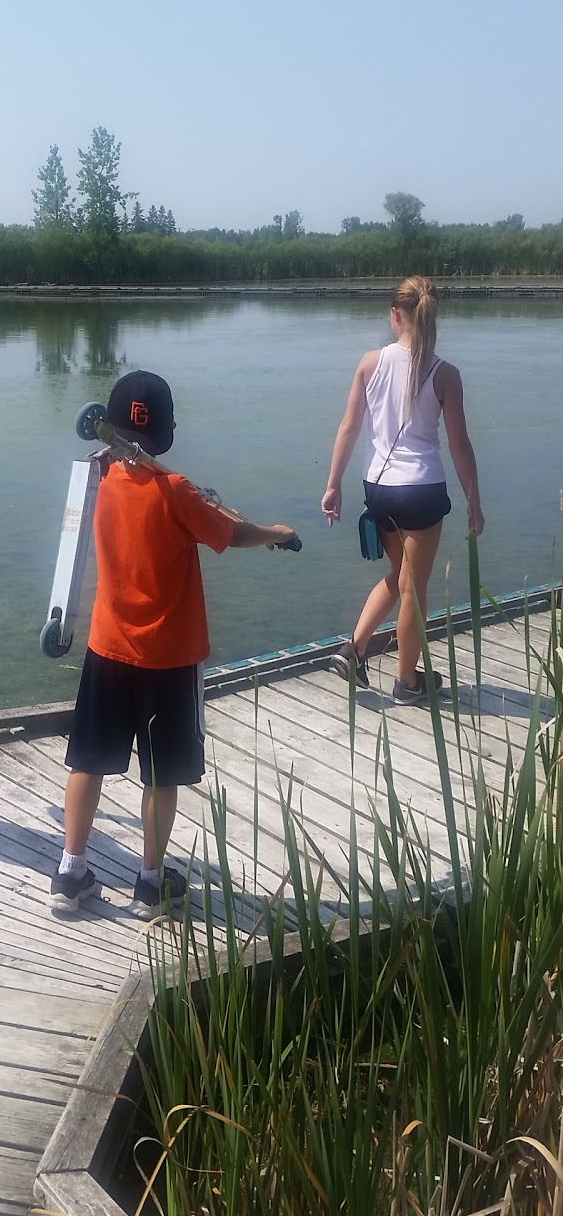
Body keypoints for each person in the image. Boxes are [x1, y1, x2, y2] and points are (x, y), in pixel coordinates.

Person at [50, 369, 299, 918]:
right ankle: (149, 882)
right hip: (167, 657)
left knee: (87, 760)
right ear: (164, 430)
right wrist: (276, 533)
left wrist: (203, 502)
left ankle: (70, 872)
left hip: (107, 647)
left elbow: (199, 514)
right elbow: (231, 534)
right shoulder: (175, 489)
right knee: (162, 774)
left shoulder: (104, 475)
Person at [320, 277, 484, 704]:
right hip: (422, 489)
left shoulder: (370, 363)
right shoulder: (445, 373)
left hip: (378, 486)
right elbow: (459, 443)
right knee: (414, 586)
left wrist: (333, 484)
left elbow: (349, 426)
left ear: (395, 315)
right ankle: (407, 683)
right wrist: (474, 499)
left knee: (399, 577)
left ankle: (353, 649)